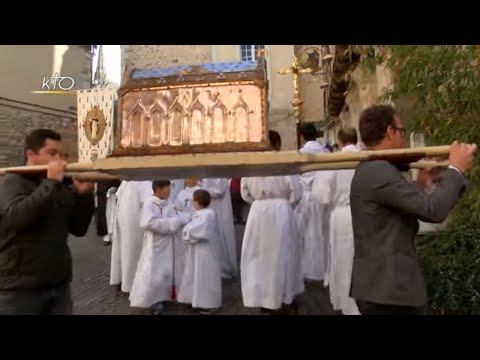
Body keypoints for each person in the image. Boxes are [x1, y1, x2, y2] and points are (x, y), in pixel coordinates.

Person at [350, 104, 476, 315]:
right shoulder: (378, 170)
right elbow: (433, 210)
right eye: (402, 131)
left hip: (384, 289)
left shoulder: (376, 168)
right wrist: (456, 169)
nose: (403, 138)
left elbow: (399, 206)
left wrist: (423, 182)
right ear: (390, 132)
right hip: (388, 290)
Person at [0, 129, 95, 315]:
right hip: (20, 289)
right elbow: (16, 219)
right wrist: (50, 184)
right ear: (31, 155)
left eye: (60, 154)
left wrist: (84, 195)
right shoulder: (12, 182)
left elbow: (79, 228)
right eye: (52, 154)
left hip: (58, 285)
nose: (59, 160)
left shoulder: (58, 185)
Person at [240, 130, 304, 314]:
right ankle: (284, 298)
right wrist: (285, 204)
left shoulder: (252, 162)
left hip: (258, 212)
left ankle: (262, 298)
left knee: (258, 256)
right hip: (280, 211)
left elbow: (245, 192)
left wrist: (258, 203)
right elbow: (296, 191)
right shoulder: (283, 161)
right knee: (283, 255)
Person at [311, 127, 360, 315]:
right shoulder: (366, 158)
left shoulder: (334, 161)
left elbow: (322, 195)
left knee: (344, 261)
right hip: (366, 213)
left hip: (341, 216)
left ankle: (347, 304)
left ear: (339, 140)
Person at [129, 180, 190, 314]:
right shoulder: (149, 203)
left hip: (168, 244)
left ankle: (163, 296)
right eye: (166, 188)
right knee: (153, 272)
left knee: (165, 272)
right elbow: (147, 222)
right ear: (158, 189)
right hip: (154, 244)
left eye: (169, 188)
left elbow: (176, 218)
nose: (169, 191)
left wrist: (176, 221)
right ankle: (154, 300)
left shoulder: (168, 203)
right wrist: (168, 225)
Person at [295, 122, 330, 284]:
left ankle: (306, 270)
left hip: (305, 197)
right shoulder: (325, 152)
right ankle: (323, 269)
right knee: (322, 233)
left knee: (304, 235)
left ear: (301, 137)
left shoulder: (300, 153)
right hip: (322, 197)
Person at [178, 189, 222, 314]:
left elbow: (198, 231)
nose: (192, 203)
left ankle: (208, 303)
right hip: (197, 251)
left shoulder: (208, 215)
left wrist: (186, 232)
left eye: (193, 200)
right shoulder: (200, 214)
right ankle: (195, 300)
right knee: (195, 275)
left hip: (206, 252)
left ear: (197, 202)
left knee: (204, 276)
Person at [110, 180, 153, 293]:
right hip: (124, 220)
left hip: (134, 222)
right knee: (124, 252)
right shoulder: (126, 181)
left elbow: (147, 201)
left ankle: (129, 282)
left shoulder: (143, 181)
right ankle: (123, 280)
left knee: (131, 254)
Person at [201, 178, 238, 279]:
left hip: (218, 207)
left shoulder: (218, 172)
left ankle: (223, 267)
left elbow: (219, 190)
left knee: (219, 235)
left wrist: (201, 189)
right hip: (208, 206)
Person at [95, 179, 121, 245]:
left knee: (115, 214)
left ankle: (116, 236)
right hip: (104, 190)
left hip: (116, 187)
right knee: (105, 214)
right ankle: (107, 236)